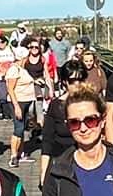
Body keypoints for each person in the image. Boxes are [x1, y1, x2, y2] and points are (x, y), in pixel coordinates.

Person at [33, 57, 84, 185]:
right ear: (65, 82)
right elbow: (47, 141)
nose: (77, 84)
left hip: (85, 162)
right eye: (72, 81)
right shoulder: (56, 106)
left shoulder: (91, 104)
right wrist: (43, 173)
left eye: (80, 79)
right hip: (61, 162)